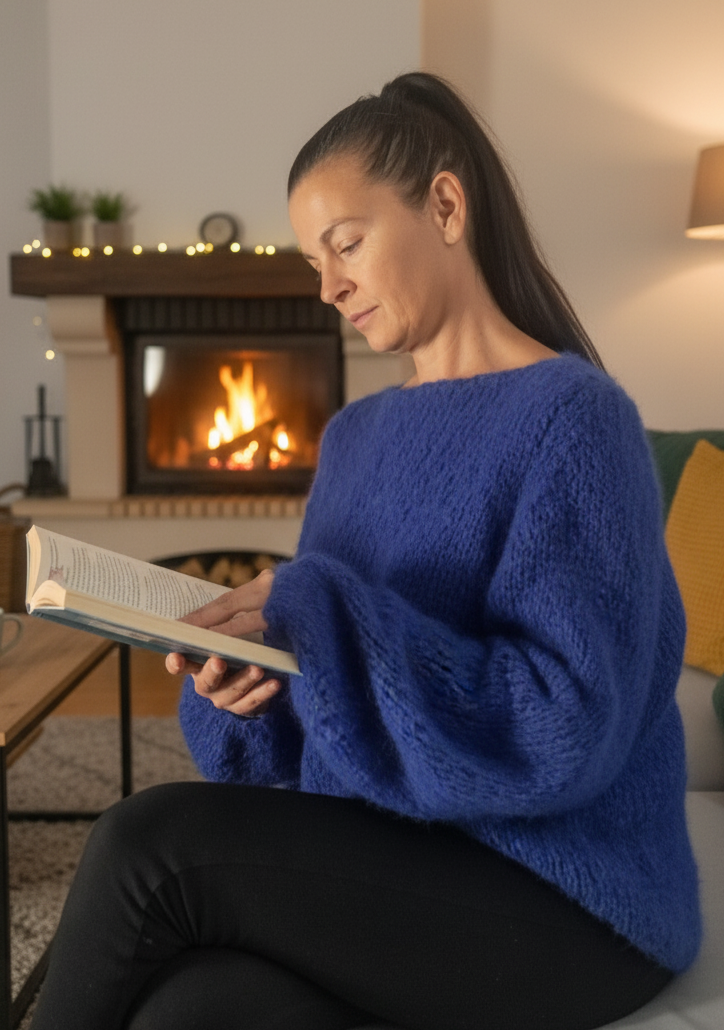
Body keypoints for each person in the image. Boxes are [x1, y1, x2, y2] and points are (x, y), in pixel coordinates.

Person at [30, 72, 700, 1030]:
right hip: (403, 855)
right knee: (192, 1007)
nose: (327, 285)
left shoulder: (574, 419)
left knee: (149, 841)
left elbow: (566, 728)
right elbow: (331, 700)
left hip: (563, 892)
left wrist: (322, 612)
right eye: (314, 258)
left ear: (444, 204)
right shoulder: (355, 437)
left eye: (346, 243)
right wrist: (251, 683)